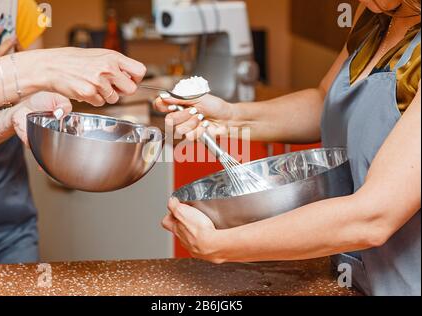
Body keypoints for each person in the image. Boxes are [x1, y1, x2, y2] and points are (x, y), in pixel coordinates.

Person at [155, 0, 421, 296]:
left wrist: (221, 245)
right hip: (355, 281)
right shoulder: (373, 12)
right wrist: (230, 116)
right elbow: (326, 100)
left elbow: (374, 216)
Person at [0, 0, 146, 264]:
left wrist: (10, 115)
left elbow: (23, 98)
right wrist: (40, 67)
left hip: (4, 220)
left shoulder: (19, 7)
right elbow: (31, 75)